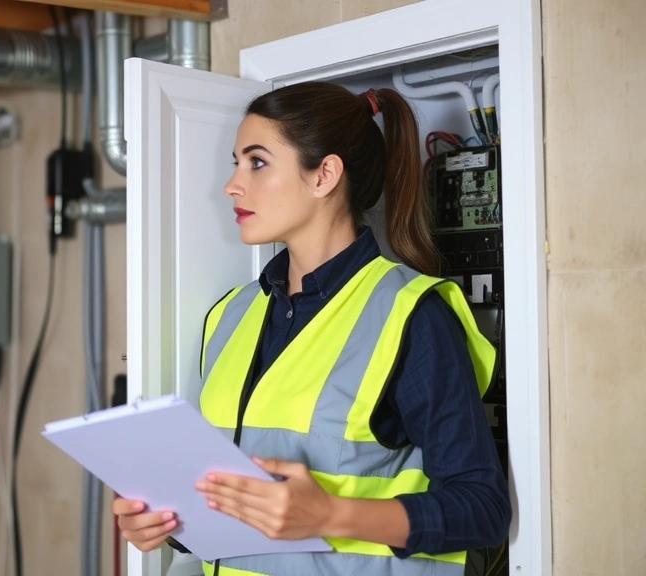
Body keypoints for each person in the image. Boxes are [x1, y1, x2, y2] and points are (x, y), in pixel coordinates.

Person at [111, 82, 512, 575]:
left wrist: (329, 514)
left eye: (256, 162)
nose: (232, 185)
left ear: (324, 175)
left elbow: (483, 511)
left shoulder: (411, 316)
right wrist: (170, 522)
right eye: (235, 163)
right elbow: (234, 508)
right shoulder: (229, 315)